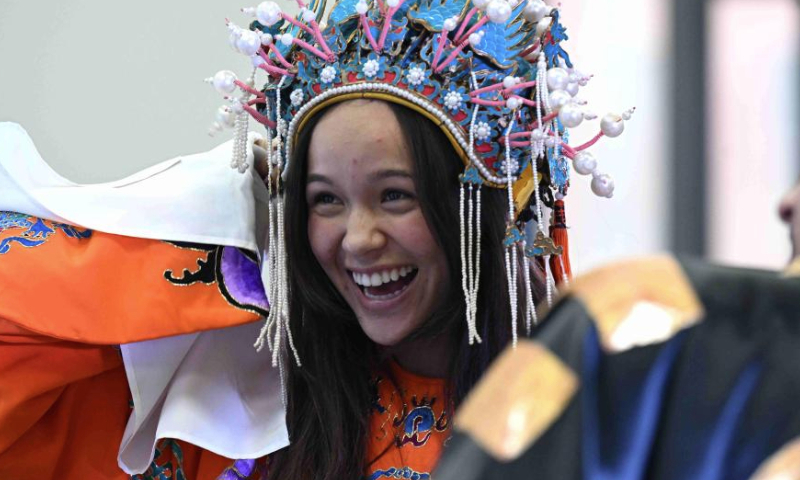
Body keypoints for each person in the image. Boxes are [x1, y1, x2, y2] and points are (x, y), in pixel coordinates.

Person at [0, 0, 633, 478]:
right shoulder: (243, 415)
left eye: (395, 195)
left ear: (484, 205)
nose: (357, 239)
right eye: (324, 200)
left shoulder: (609, 425)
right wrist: (220, 248)